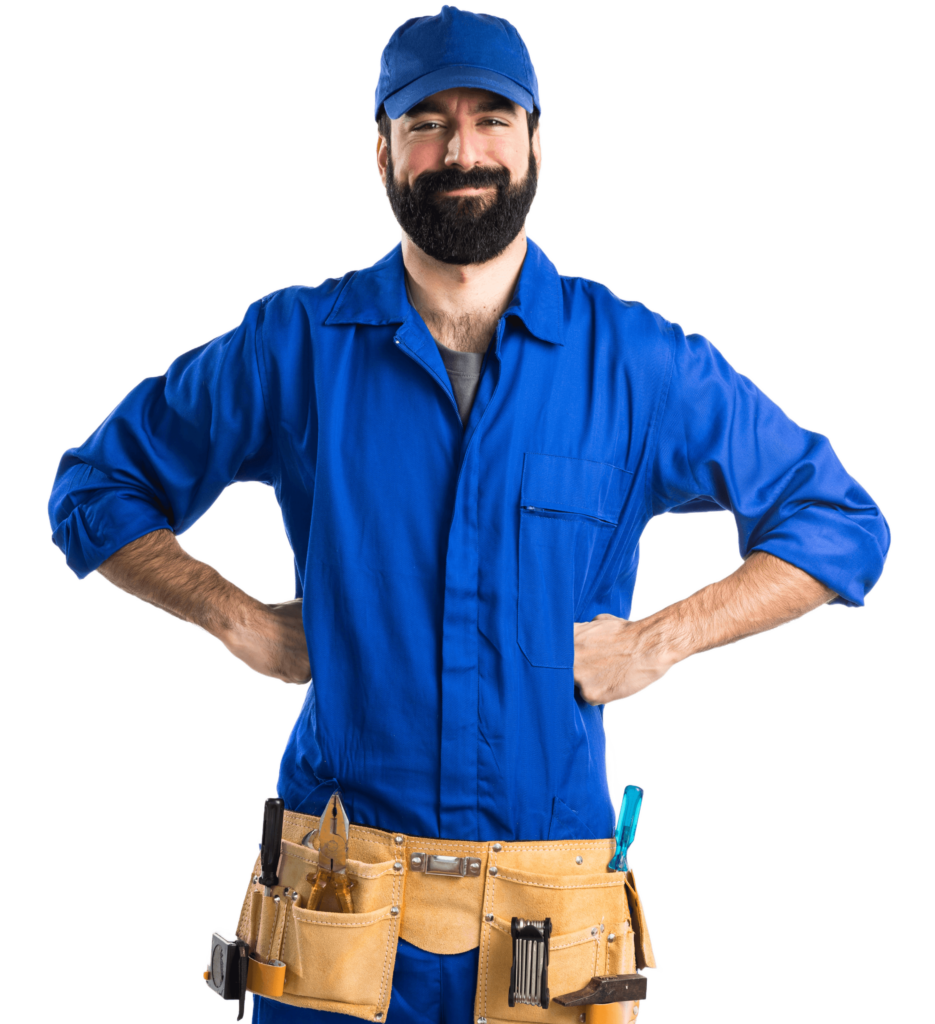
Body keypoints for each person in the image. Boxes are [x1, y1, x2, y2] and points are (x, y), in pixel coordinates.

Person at [46, 6, 890, 1023]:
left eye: (490, 118)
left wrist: (657, 641)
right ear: (382, 150)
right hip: (336, 901)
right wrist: (237, 619)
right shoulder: (296, 346)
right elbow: (93, 490)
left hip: (547, 914)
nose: (461, 151)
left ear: (535, 141)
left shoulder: (635, 362)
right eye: (426, 123)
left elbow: (838, 521)